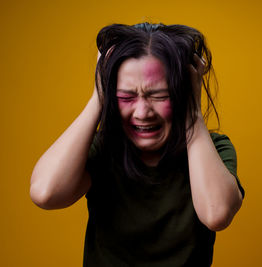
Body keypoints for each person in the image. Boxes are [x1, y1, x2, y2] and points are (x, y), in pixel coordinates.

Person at [30, 22, 244, 266]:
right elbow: (45, 193)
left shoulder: (214, 148)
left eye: (160, 95)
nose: (142, 112)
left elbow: (216, 214)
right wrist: (99, 96)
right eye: (126, 97)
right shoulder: (104, 148)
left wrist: (192, 112)